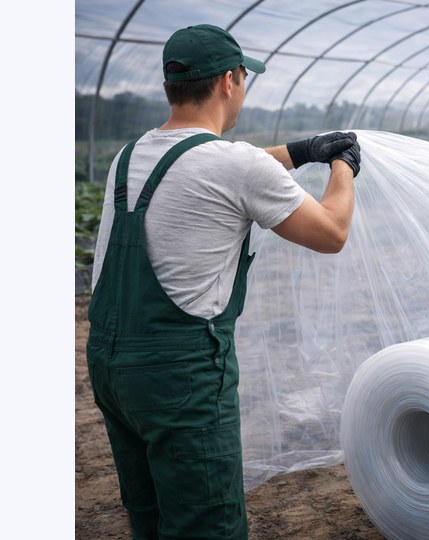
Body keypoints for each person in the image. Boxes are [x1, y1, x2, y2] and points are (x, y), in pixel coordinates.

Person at [85, 24, 362, 539]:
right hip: (179, 374)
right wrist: (342, 166)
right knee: (205, 525)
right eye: (243, 78)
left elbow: (218, 168)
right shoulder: (232, 164)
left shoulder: (131, 156)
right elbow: (332, 232)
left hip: (111, 363)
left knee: (149, 515)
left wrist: (301, 150)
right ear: (229, 82)